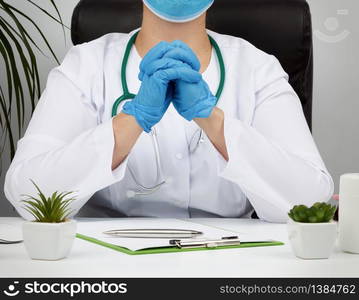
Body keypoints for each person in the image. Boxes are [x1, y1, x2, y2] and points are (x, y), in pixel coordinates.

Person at [4, 0, 334, 222]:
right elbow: (27, 196)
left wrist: (213, 120)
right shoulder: (85, 66)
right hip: (107, 266)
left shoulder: (258, 69)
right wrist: (131, 120)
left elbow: (310, 202)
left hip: (229, 264)